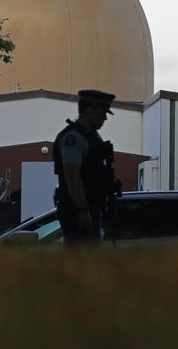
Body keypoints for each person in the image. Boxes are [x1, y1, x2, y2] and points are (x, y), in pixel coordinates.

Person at [53, 89, 116, 244]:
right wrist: (82, 210)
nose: (105, 118)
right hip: (77, 211)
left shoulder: (91, 137)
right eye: (102, 113)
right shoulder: (74, 138)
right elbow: (72, 175)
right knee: (81, 261)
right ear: (89, 109)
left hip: (90, 207)